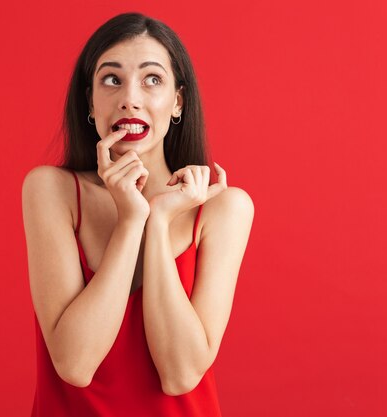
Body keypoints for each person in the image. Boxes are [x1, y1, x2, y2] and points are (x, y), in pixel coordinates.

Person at [21, 12, 254, 417]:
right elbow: (75, 365)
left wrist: (159, 221)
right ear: (90, 104)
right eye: (112, 79)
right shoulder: (51, 190)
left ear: (178, 100)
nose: (130, 97)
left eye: (152, 79)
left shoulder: (223, 207)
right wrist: (131, 220)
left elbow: (180, 375)